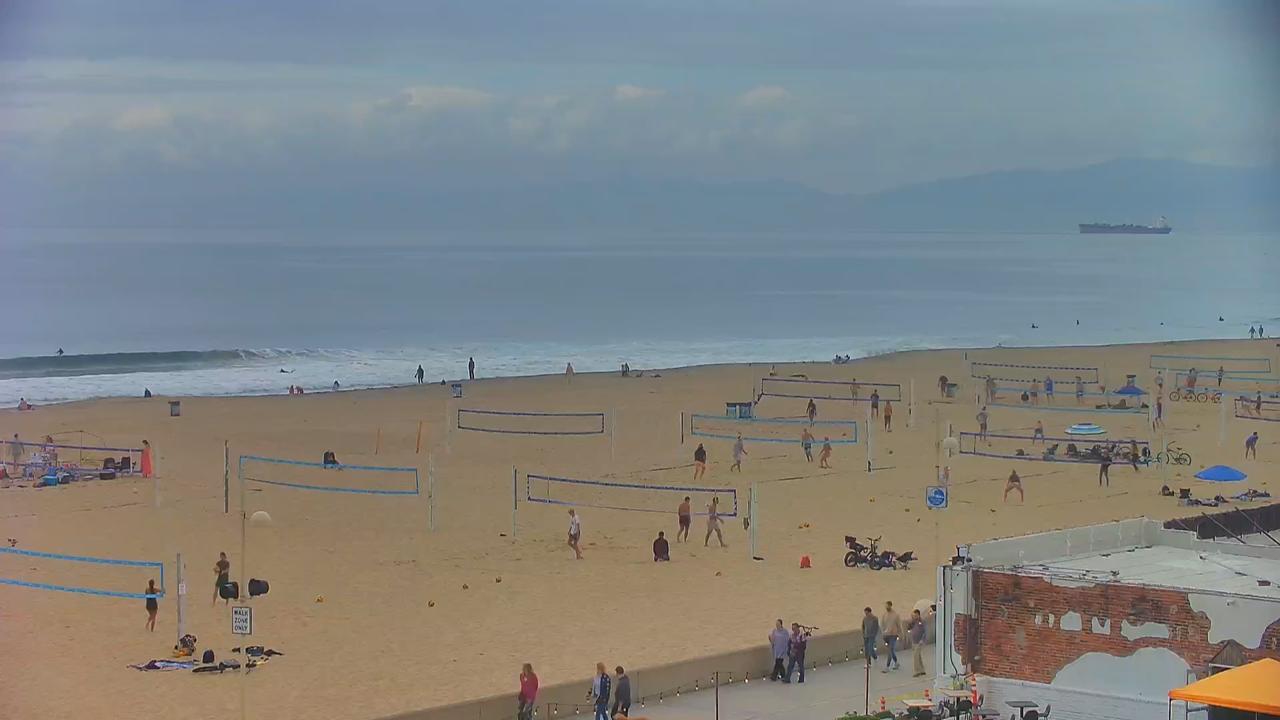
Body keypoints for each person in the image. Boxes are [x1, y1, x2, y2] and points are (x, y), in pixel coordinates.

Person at [881, 601, 902, 672]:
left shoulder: (895, 615)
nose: (886, 607)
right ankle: (896, 663)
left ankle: (887, 667)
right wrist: (883, 633)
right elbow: (882, 625)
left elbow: (899, 625)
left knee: (890, 650)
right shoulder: (884, 615)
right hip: (886, 636)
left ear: (890, 606)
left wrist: (900, 634)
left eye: (887, 606)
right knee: (891, 650)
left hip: (893, 635)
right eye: (885, 606)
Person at [908, 609, 927, 677]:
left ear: (919, 615)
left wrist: (922, 640)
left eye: (916, 615)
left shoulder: (922, 621)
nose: (915, 616)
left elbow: (925, 631)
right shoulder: (913, 622)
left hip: (919, 642)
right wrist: (911, 619)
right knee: (918, 656)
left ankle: (917, 671)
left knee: (915, 656)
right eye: (914, 615)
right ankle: (922, 670)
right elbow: (909, 627)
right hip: (914, 641)